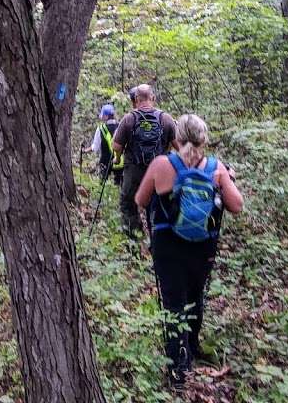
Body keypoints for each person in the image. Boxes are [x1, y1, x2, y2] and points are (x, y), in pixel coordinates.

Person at [135, 114, 244, 389]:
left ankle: (177, 369)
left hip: (168, 245)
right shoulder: (216, 168)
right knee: (196, 297)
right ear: (204, 139)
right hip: (203, 245)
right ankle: (192, 348)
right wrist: (226, 179)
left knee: (173, 303)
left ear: (176, 138)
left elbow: (140, 199)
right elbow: (237, 205)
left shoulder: (162, 164)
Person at [112, 84, 176, 239]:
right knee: (157, 205)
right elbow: (180, 146)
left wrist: (118, 158)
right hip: (159, 173)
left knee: (128, 204)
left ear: (136, 99)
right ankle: (157, 240)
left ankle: (134, 240)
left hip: (134, 172)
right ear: (152, 98)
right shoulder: (166, 119)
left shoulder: (128, 119)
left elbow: (116, 145)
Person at [88, 104, 123, 185]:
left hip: (105, 161)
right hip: (120, 161)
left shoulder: (100, 129)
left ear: (106, 116)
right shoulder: (120, 126)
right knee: (119, 185)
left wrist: (85, 150)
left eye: (103, 115)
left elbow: (95, 147)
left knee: (102, 182)